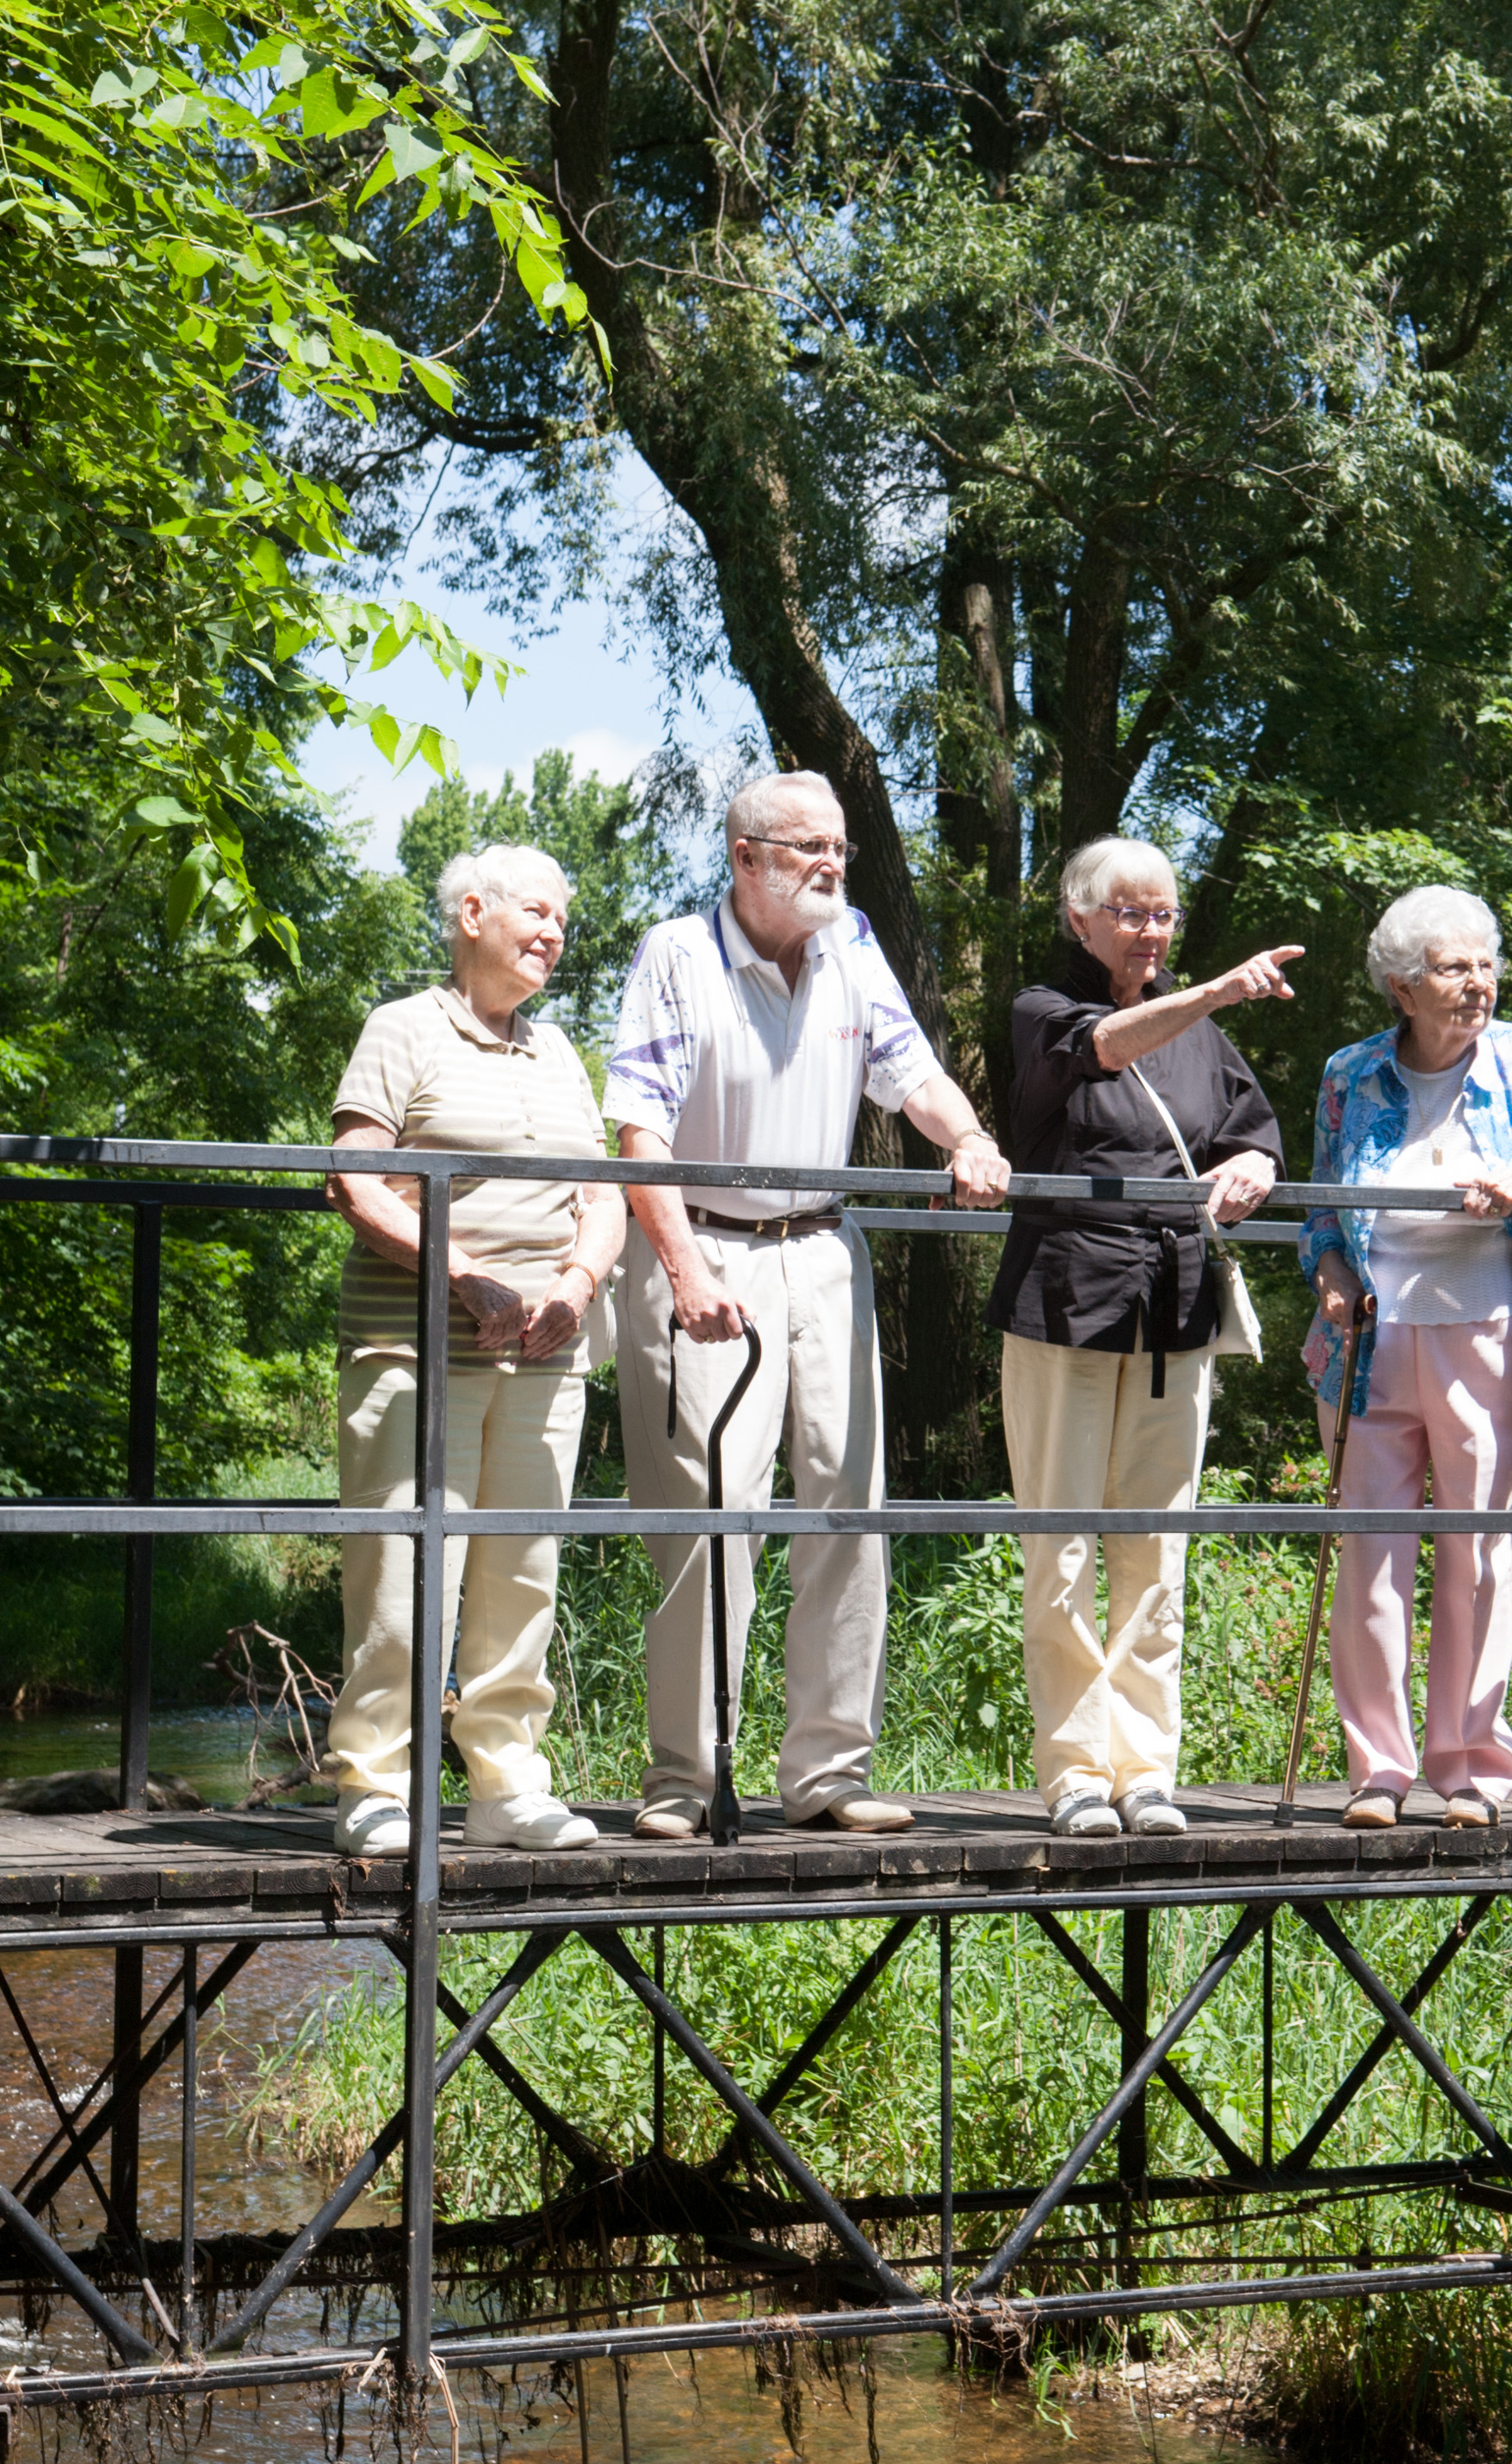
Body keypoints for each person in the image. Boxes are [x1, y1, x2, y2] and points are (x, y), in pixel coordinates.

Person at [604, 770, 1009, 1840]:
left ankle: (829, 1770)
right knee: (705, 1517)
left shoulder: (851, 942)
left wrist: (964, 1138)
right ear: (745, 857)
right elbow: (636, 1136)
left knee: (848, 1510)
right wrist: (684, 1268)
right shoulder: (676, 955)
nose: (834, 864)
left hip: (822, 1250)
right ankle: (685, 1778)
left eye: (840, 848)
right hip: (700, 1246)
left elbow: (911, 1072)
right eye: (808, 850)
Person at [1299, 887, 1512, 1828]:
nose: (1477, 984)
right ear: (1403, 986)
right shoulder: (1348, 1072)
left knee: (1481, 1555)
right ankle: (1377, 1770)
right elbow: (1322, 1209)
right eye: (1454, 968)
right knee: (1368, 1560)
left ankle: (1468, 1770)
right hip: (1368, 1338)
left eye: (1485, 965)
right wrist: (1329, 1270)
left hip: (1489, 1331)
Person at [325, 846, 629, 1861]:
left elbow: (603, 1197)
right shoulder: (402, 1028)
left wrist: (577, 1287)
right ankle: (375, 1782)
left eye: (561, 921)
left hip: (544, 1356)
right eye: (535, 913)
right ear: (470, 913)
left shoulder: (557, 1052)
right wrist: (462, 1275)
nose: (552, 933)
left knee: (522, 1574)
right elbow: (357, 1181)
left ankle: (506, 1783)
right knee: (407, 1570)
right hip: (414, 1343)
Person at [988, 836, 1291, 1837]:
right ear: (1079, 918)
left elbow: (1248, 1126)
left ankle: (1143, 1767)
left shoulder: (1203, 1033)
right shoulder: (1043, 1008)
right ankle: (1075, 1770)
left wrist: (1252, 1164)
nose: (1151, 931)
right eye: (1130, 913)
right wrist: (1215, 990)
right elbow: (1107, 1045)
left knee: (1155, 1549)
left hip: (1175, 1303)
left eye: (1163, 914)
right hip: (1065, 1299)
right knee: (1061, 1543)